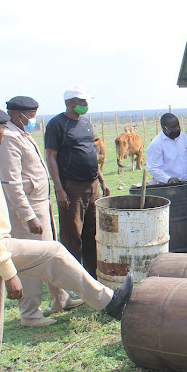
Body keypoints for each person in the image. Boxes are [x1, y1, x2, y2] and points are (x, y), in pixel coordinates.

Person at [0, 104, 133, 372]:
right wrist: (9, 274)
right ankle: (108, 302)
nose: (4, 134)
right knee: (54, 252)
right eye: (2, 128)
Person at [0, 96, 83, 327]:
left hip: (40, 204)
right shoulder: (9, 139)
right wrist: (28, 216)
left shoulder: (22, 133)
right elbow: (12, 183)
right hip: (29, 210)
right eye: (31, 115)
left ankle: (60, 299)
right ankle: (30, 313)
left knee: (49, 253)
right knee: (31, 261)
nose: (34, 119)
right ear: (18, 114)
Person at [44, 86, 110, 279]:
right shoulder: (57, 124)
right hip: (71, 186)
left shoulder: (85, 124)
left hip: (92, 185)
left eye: (86, 102)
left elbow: (91, 153)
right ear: (70, 103)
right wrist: (59, 189)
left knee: (92, 232)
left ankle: (91, 276)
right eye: (82, 102)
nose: (86, 105)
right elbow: (51, 157)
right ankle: (72, 279)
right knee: (72, 233)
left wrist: (102, 181)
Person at [146, 113, 187, 184]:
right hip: (164, 186)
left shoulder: (182, 137)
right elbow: (154, 168)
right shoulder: (156, 144)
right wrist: (168, 179)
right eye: (173, 127)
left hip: (182, 184)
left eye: (178, 125)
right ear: (164, 128)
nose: (177, 129)